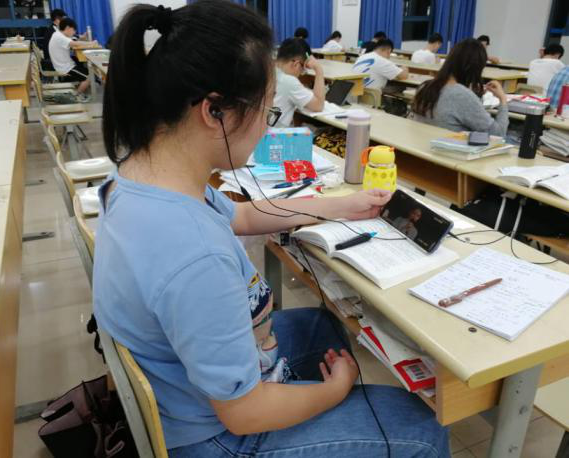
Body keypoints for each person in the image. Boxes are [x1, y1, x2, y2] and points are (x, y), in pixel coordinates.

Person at [95, 2, 451, 457]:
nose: (267, 127)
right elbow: (244, 413)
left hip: (181, 389)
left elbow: (242, 216)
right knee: (424, 430)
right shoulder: (195, 254)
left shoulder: (145, 175)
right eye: (266, 111)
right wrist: (335, 391)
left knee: (322, 326)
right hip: (214, 436)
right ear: (214, 111)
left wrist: (340, 206)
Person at [412, 38, 509, 136]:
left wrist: (473, 96)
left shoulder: (424, 86)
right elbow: (498, 134)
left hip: (423, 142)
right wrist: (503, 99)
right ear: (474, 68)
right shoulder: (462, 95)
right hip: (450, 144)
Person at [274, 38, 325, 127]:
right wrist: (318, 69)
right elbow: (319, 106)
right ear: (296, 64)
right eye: (303, 69)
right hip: (275, 133)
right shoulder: (289, 81)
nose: (301, 73)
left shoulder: (267, 69)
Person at [48, 17, 98, 96]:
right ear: (68, 28)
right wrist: (91, 43)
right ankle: (76, 96)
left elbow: (73, 38)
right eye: (73, 30)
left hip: (63, 64)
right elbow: (74, 43)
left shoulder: (57, 34)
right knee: (89, 78)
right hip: (65, 68)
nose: (74, 32)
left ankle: (81, 87)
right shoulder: (60, 37)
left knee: (85, 68)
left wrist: (81, 37)